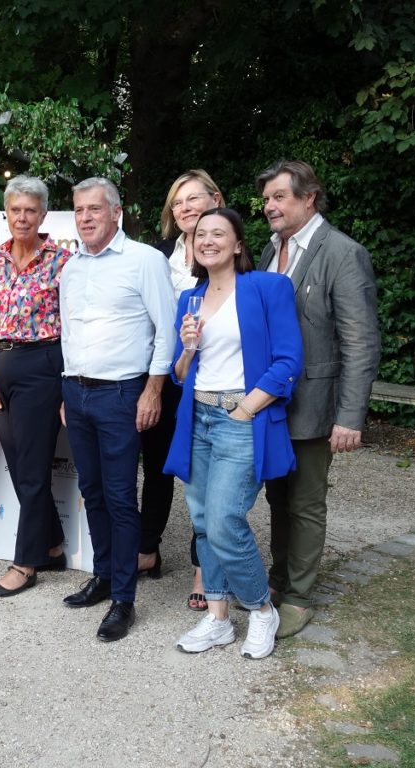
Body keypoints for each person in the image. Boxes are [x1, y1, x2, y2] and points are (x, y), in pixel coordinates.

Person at [165, 207, 303, 660]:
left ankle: (261, 610)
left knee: (225, 520)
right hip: (199, 420)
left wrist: (246, 408)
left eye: (218, 233)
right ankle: (219, 619)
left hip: (239, 419)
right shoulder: (190, 298)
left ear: (239, 244)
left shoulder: (267, 287)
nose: (207, 240)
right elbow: (180, 375)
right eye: (200, 234)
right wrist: (187, 350)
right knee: (204, 523)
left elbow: (287, 361)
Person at [255, 160, 380, 638]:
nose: (270, 207)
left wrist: (349, 416)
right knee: (277, 498)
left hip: (316, 404)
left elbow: (360, 341)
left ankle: (299, 597)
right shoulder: (269, 250)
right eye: (266, 199)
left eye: (279, 197)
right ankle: (278, 580)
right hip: (270, 402)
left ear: (309, 198)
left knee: (305, 503)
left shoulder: (343, 253)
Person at [59, 177, 176, 642]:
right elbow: (70, 333)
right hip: (78, 393)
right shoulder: (71, 267)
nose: (86, 218)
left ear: (116, 212)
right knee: (92, 490)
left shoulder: (145, 260)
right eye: (79, 211)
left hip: (123, 394)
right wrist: (68, 388)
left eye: (94, 209)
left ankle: (124, 600)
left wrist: (152, 391)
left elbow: (165, 331)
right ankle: (104, 575)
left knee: (122, 496)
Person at [0, 176, 72, 597]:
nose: (22, 217)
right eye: (15, 209)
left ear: (43, 215)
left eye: (30, 210)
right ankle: (52, 545)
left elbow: (73, 325)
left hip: (41, 365)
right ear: (7, 212)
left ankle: (25, 561)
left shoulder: (62, 261)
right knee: (19, 466)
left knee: (33, 470)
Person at [139, 170, 225, 612]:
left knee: (203, 473)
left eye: (194, 199)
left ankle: (202, 565)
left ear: (215, 199)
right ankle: (147, 549)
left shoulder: (228, 255)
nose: (186, 208)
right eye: (178, 202)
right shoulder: (159, 257)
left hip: (212, 377)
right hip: (166, 376)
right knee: (156, 466)